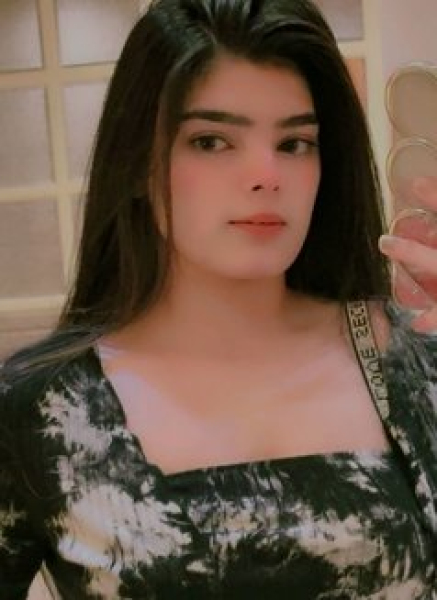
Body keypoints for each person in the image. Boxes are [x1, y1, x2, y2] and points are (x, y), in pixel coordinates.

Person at [1, 0, 437, 597]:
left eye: (295, 143)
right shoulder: (39, 407)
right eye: (211, 141)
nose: (266, 175)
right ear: (138, 163)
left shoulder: (415, 361)